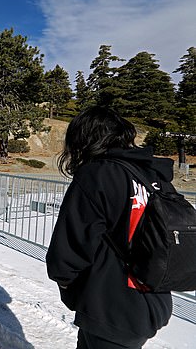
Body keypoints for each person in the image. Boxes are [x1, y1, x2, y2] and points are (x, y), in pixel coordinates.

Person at [46, 106, 173, 349]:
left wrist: (66, 284)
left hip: (109, 305)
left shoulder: (97, 175)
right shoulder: (151, 175)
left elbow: (69, 249)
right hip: (152, 300)